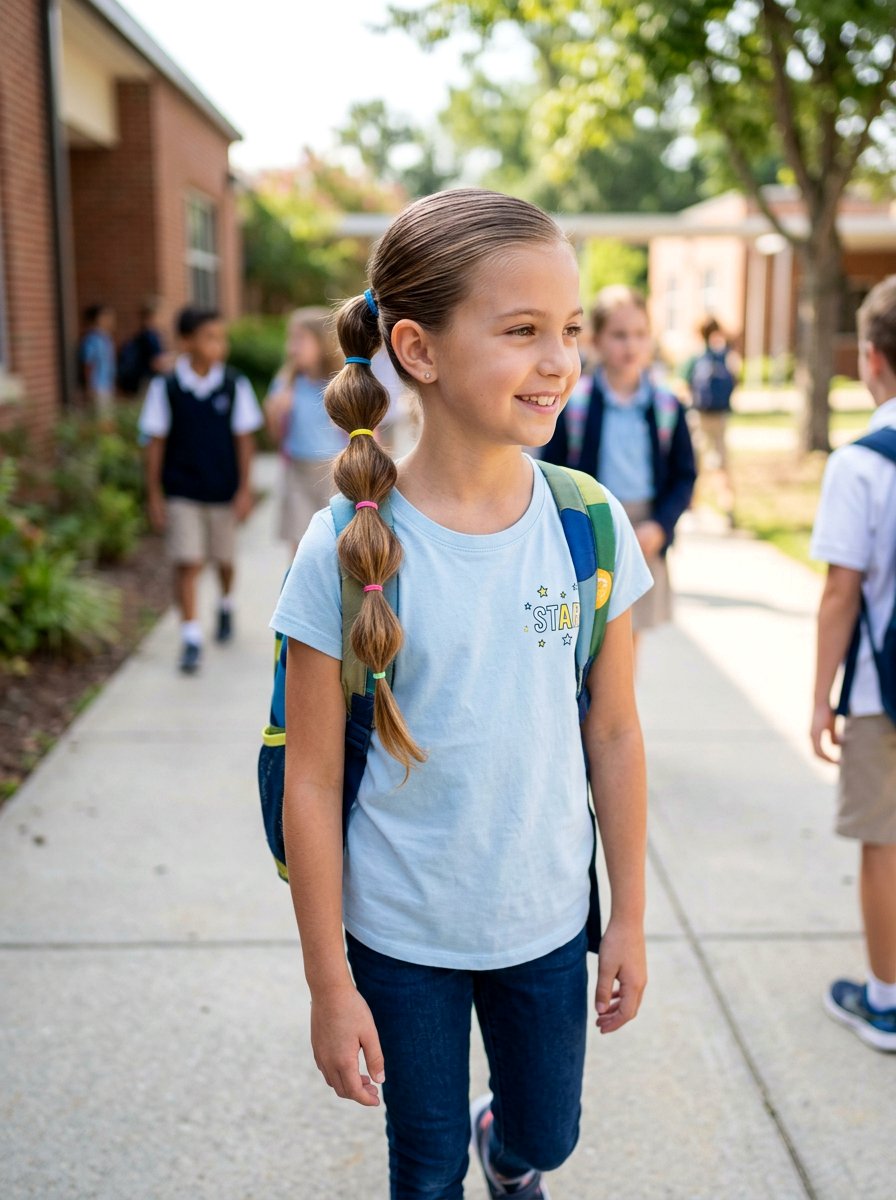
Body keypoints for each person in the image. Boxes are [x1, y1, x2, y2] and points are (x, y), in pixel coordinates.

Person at [270, 188, 653, 1199]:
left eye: (567, 330)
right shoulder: (348, 552)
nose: (559, 360)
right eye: (521, 331)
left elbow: (611, 733)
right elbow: (308, 780)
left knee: (548, 1137)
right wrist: (328, 982)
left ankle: (511, 1151)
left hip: (542, 920)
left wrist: (629, 916)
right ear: (418, 349)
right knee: (423, 1170)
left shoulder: (588, 526)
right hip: (399, 933)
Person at [810, 274, 896, 1053]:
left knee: (885, 841)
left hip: (883, 688)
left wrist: (819, 697)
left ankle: (885, 1000)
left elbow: (842, 590)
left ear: (871, 359)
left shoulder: (865, 462)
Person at [542, 285, 695, 658]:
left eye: (640, 334)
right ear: (595, 340)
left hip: (646, 530)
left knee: (629, 638)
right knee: (588, 634)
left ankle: (617, 714)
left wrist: (661, 524)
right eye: (619, 335)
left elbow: (685, 475)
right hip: (593, 524)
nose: (631, 345)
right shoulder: (575, 405)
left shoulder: (666, 406)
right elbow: (551, 469)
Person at [139, 306, 263, 674]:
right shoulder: (167, 387)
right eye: (210, 337)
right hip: (182, 490)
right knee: (188, 561)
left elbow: (245, 440)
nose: (219, 345)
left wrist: (244, 489)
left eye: (221, 337)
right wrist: (154, 493)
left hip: (223, 490)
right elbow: (155, 442)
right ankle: (191, 636)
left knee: (224, 560)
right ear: (186, 341)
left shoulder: (233, 384)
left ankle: (225, 604)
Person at [264, 308, 347, 554]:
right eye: (291, 339)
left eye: (300, 339)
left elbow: (369, 433)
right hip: (297, 472)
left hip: (335, 473)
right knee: (300, 545)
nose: (292, 347)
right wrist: (275, 414)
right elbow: (275, 437)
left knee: (337, 544)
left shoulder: (340, 383)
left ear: (322, 342)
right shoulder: (286, 382)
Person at [684, 316, 738, 522]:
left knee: (695, 462)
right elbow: (735, 381)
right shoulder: (725, 356)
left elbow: (683, 386)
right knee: (721, 462)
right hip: (720, 416)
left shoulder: (695, 357)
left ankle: (692, 506)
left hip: (698, 415)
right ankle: (728, 506)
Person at [118, 298, 173, 398]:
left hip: (142, 380)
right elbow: (156, 363)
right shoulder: (151, 337)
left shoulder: (142, 335)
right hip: (149, 382)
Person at [78, 303, 117, 417]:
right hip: (97, 386)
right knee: (101, 418)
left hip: (107, 385)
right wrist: (89, 387)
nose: (109, 320)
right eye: (106, 316)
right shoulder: (92, 339)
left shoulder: (106, 338)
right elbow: (88, 364)